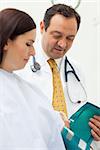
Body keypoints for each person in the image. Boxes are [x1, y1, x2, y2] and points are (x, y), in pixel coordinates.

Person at [16, 4, 100, 149]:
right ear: (42, 27)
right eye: (57, 35)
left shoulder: (77, 70)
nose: (62, 44)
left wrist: (95, 130)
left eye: (70, 38)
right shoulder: (19, 68)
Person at [0, 8, 66, 150]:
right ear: (6, 42)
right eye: (28, 44)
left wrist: (60, 123)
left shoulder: (29, 90)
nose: (33, 52)